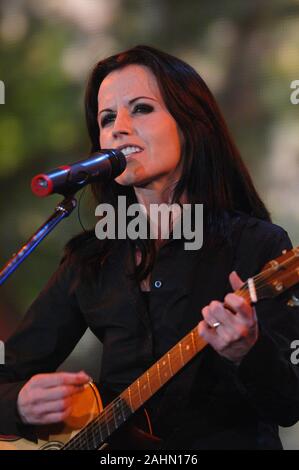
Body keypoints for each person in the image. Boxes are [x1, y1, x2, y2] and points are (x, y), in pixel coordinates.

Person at [1, 44, 299, 450]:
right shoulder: (93, 257)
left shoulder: (259, 245)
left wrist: (247, 350)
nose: (118, 127)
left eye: (140, 108)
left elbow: (288, 403)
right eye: (107, 119)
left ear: (192, 125)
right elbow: (9, 372)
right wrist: (19, 402)